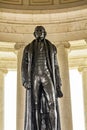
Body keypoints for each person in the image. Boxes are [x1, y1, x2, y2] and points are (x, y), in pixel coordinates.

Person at [21, 26, 63, 130]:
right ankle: (37, 127)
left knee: (52, 103)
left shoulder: (52, 47)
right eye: (38, 31)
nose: (40, 32)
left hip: (47, 74)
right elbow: (24, 65)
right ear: (34, 34)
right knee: (35, 105)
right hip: (34, 76)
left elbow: (56, 66)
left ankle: (54, 128)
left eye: (42, 30)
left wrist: (58, 84)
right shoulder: (28, 48)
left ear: (45, 33)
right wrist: (25, 80)